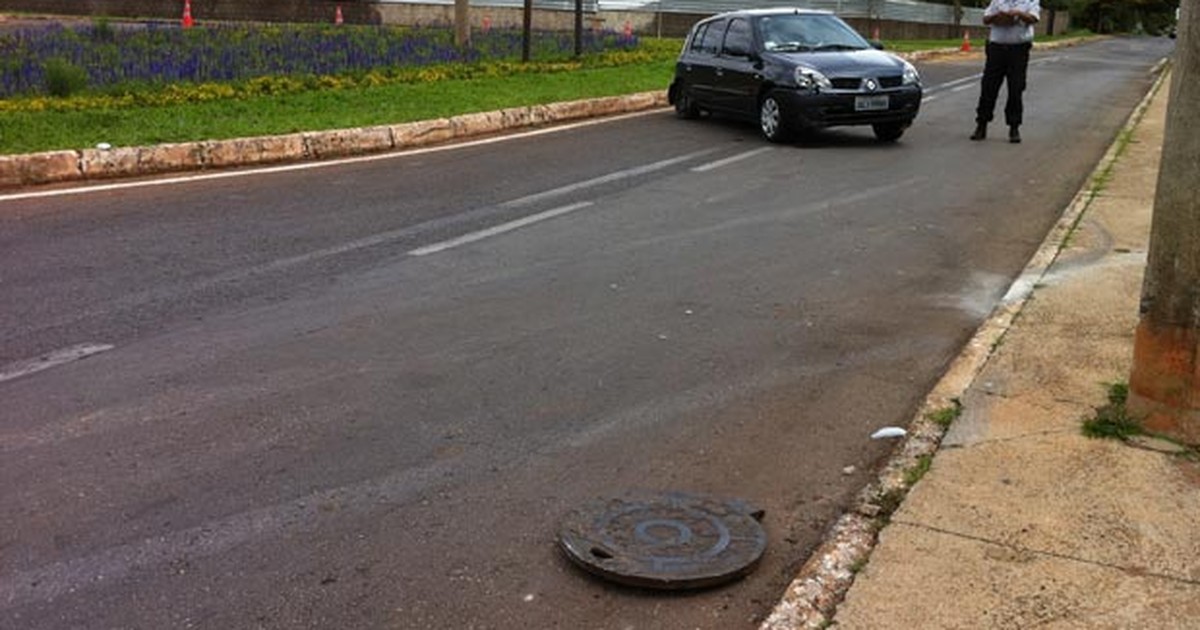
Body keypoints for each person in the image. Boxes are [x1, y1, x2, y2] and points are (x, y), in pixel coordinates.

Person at [970, 0, 1040, 143]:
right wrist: (998, 17)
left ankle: (1014, 127)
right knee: (988, 87)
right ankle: (981, 125)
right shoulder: (998, 1)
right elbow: (986, 19)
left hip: (1018, 50)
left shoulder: (1030, 1)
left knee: (1016, 88)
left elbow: (1034, 18)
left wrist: (1019, 14)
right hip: (997, 49)